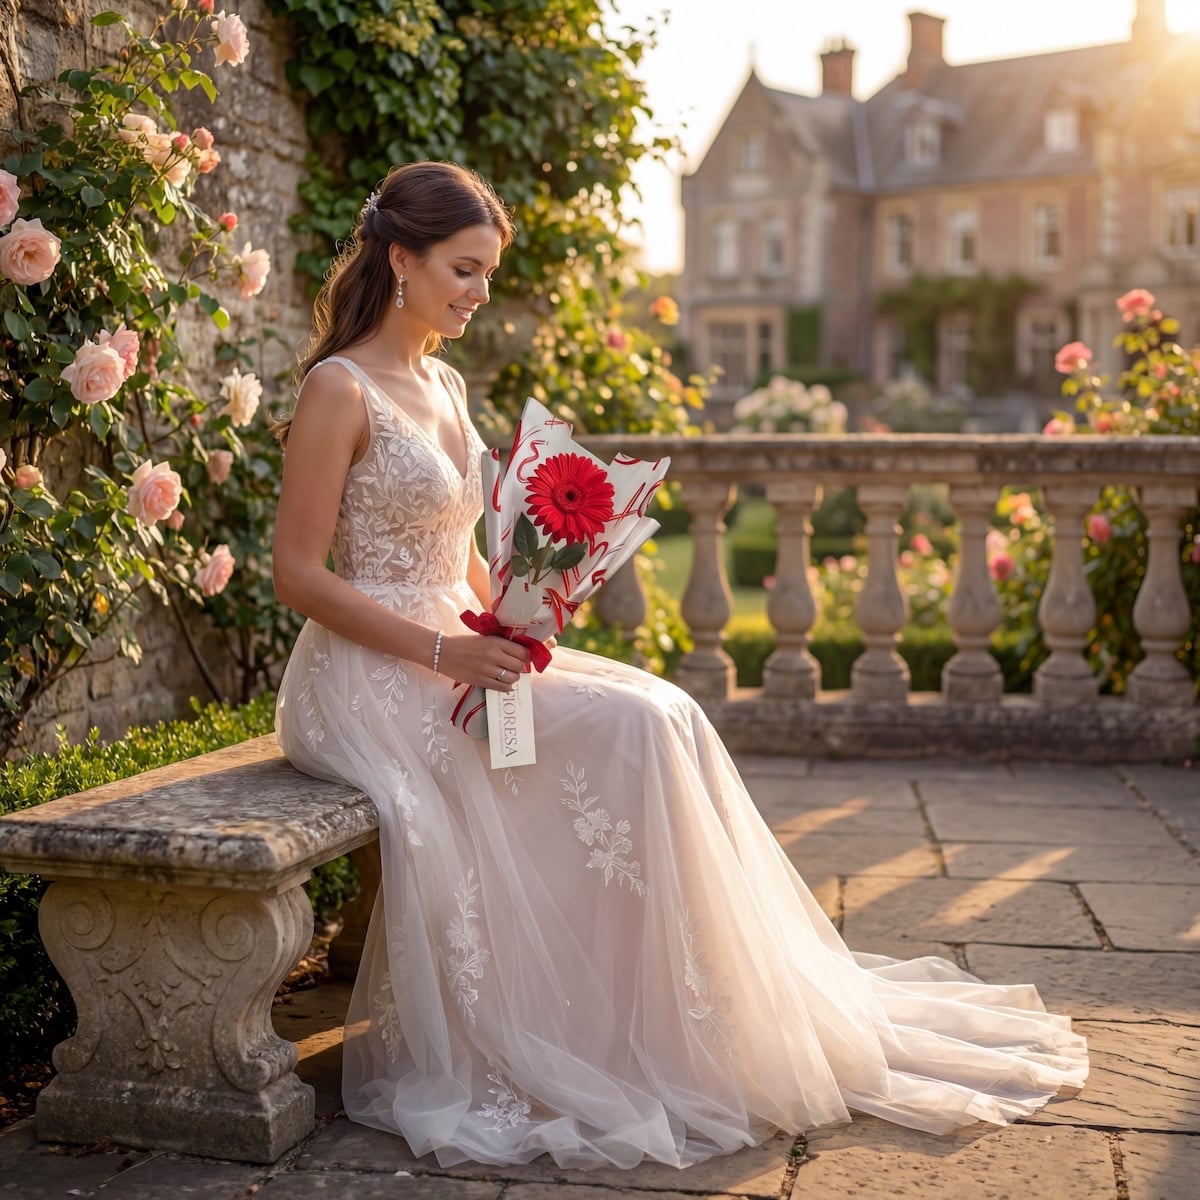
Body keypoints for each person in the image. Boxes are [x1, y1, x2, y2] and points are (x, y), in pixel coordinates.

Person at [272, 161, 1087, 1171]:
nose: (480, 292)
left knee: (665, 712)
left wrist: (520, 618)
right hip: (368, 672)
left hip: (459, 638)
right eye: (464, 269)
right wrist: (448, 650)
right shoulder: (337, 388)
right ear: (402, 259)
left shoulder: (443, 380)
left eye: (487, 272)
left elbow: (463, 551)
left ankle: (674, 1012)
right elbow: (298, 575)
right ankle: (600, 1028)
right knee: (631, 733)